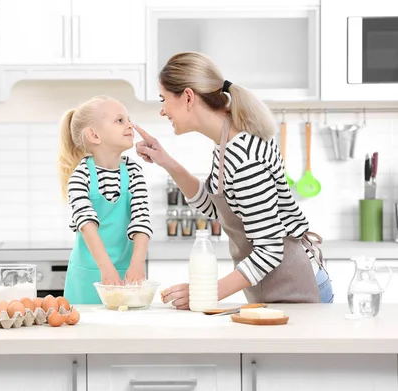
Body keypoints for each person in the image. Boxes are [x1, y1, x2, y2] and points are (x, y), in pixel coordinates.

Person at [135, 52, 334, 309]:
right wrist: (167, 162)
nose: (162, 110)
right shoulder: (226, 145)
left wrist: (205, 293)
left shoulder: (244, 157)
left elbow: (270, 249)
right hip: (274, 291)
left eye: (164, 99)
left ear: (187, 97)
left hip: (297, 288)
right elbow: (213, 208)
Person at [58, 95, 153, 304]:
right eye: (119, 120)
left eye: (128, 119)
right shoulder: (80, 177)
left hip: (126, 272)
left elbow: (141, 219)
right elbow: (86, 223)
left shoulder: (134, 172)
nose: (130, 125)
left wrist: (137, 264)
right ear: (94, 135)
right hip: (89, 276)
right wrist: (106, 269)